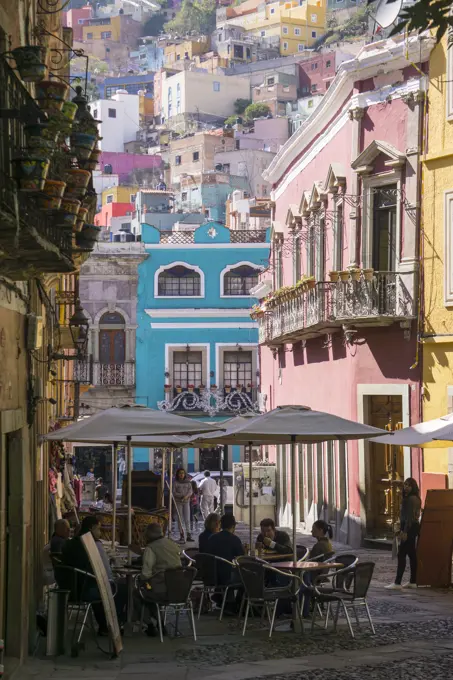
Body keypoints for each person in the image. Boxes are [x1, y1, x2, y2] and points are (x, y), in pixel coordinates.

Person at [61, 515, 127, 634]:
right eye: (99, 529)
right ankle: (116, 623)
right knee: (120, 588)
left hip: (70, 589)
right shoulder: (92, 545)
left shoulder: (70, 544)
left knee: (101, 585)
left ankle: (104, 624)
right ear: (92, 528)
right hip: (88, 589)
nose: (100, 533)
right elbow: (106, 573)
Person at [139, 523, 182, 636]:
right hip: (179, 590)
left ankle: (150, 624)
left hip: (160, 590)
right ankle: (159, 622)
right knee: (148, 593)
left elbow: (145, 574)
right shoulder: (173, 544)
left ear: (149, 534)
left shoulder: (151, 548)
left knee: (137, 593)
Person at [386, 477, 422, 590]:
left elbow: (409, 517)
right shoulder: (417, 498)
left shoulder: (408, 500)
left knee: (401, 554)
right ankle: (413, 581)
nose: (406, 487)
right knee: (412, 554)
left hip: (408, 528)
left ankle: (397, 582)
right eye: (405, 485)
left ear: (413, 487)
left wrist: (404, 531)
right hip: (415, 528)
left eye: (408, 485)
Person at [206, 514, 244, 586]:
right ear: (233, 526)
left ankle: (221, 596)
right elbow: (242, 558)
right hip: (228, 576)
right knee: (247, 578)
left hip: (211, 575)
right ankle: (238, 597)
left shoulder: (212, 538)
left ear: (221, 525)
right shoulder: (235, 539)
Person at [173, 468, 193, 542]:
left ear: (185, 474)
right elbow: (174, 492)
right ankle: (181, 534)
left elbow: (190, 491)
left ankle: (188, 534)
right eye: (180, 473)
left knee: (187, 519)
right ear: (178, 474)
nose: (181, 474)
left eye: (183, 473)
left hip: (186, 502)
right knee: (180, 519)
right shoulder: (175, 483)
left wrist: (186, 496)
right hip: (178, 502)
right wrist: (181, 495)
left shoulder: (188, 482)